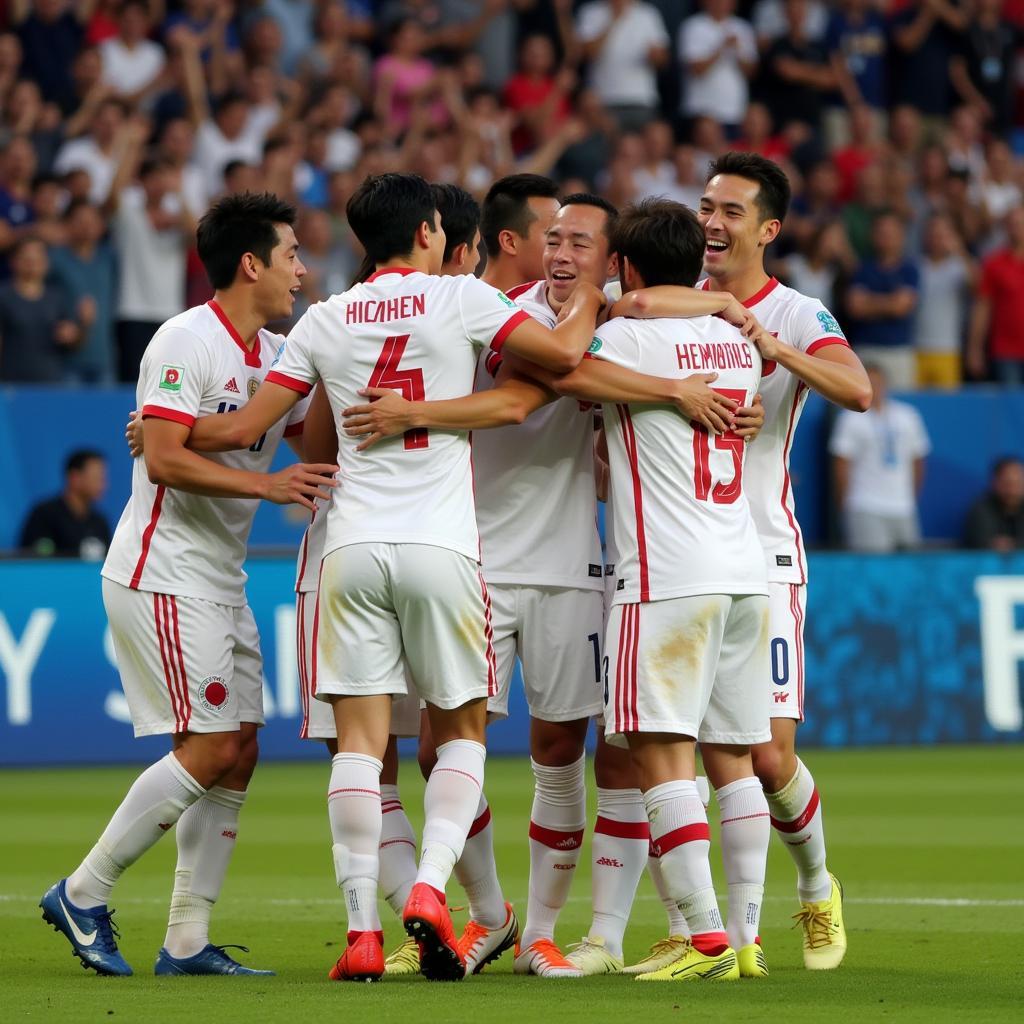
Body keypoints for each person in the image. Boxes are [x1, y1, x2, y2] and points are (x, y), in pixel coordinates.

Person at [181, 172, 607, 983]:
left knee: (360, 745)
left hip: (351, 546)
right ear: (428, 234)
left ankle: (361, 933)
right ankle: (428, 888)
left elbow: (247, 429)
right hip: (441, 547)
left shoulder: (326, 318)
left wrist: (169, 427)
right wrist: (586, 293)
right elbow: (559, 355)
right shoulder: (458, 300)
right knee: (462, 730)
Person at [340, 188, 765, 978]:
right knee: (439, 747)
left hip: (573, 563)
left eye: (581, 243)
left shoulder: (627, 325)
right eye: (554, 238)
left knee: (562, 748)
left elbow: (561, 387)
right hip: (473, 556)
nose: (563, 254)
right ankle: (490, 911)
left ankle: (544, 928)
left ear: (613, 259)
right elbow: (542, 380)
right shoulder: (497, 311)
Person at [39, 191, 335, 979]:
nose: (301, 271)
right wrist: (268, 487)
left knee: (238, 752)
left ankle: (184, 942)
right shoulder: (184, 338)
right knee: (208, 745)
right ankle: (82, 890)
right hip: (164, 571)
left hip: (219, 576)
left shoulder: (277, 354)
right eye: (290, 255)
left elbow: (285, 428)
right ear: (250, 264)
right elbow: (163, 458)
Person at [664, 152, 870, 973]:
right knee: (678, 747)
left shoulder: (796, 311)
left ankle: (817, 884)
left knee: (769, 754)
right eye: (706, 207)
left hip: (765, 549)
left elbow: (857, 389)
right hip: (681, 555)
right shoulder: (671, 308)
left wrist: (772, 349)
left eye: (731, 212)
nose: (712, 222)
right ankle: (712, 933)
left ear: (769, 229)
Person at [572, 197, 771, 982]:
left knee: (660, 754)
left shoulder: (623, 334)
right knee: (733, 756)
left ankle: (706, 936)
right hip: (743, 573)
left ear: (623, 265)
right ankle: (748, 938)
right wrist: (723, 299)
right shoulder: (735, 341)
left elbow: (570, 366)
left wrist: (654, 387)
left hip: (664, 578)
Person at [831, 364, 930, 552]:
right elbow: (841, 465)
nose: (874, 388)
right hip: (865, 505)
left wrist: (910, 497)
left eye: (878, 383)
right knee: (873, 570)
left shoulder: (908, 416)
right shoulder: (850, 418)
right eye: (869, 383)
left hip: (903, 507)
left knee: (911, 569)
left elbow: (918, 461)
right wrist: (845, 504)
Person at [845, 211, 919, 391]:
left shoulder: (910, 270)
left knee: (901, 404)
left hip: (898, 351)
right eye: (881, 233)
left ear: (901, 236)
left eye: (891, 233)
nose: (886, 238)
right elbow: (855, 307)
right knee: (861, 401)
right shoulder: (863, 269)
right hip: (866, 348)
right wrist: (890, 302)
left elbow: (901, 308)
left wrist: (869, 302)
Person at [0, 235, 82, 383]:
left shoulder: (57, 297)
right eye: (26, 259)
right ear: (14, 262)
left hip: (50, 382)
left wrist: (75, 331)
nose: (32, 264)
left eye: (37, 259)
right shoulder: (4, 296)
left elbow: (72, 341)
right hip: (11, 383)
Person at [18, 448, 111, 559]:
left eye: (103, 479)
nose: (103, 485)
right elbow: (31, 561)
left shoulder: (100, 523)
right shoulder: (44, 515)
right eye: (97, 478)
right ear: (75, 477)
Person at [967, 206, 1024, 385]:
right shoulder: (994, 263)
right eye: (1012, 224)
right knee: (1012, 410)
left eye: (1020, 224)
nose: (1016, 228)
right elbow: (983, 308)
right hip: (1006, 352)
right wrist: (974, 349)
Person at [963, 457, 1024, 552]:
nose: (1013, 490)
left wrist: (1014, 545)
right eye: (1008, 483)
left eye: (1018, 483)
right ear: (995, 482)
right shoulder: (981, 508)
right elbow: (980, 542)